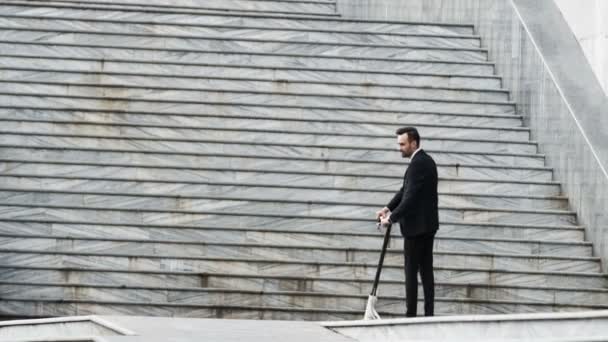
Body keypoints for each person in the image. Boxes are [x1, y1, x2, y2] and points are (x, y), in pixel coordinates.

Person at [376, 126, 439, 317]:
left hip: (417, 229)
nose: (399, 148)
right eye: (398, 144)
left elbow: (410, 197)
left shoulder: (418, 164)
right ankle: (428, 314)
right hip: (426, 227)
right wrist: (388, 208)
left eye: (402, 144)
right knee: (426, 272)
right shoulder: (423, 161)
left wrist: (391, 219)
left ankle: (411, 315)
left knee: (411, 273)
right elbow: (405, 190)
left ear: (414, 143)